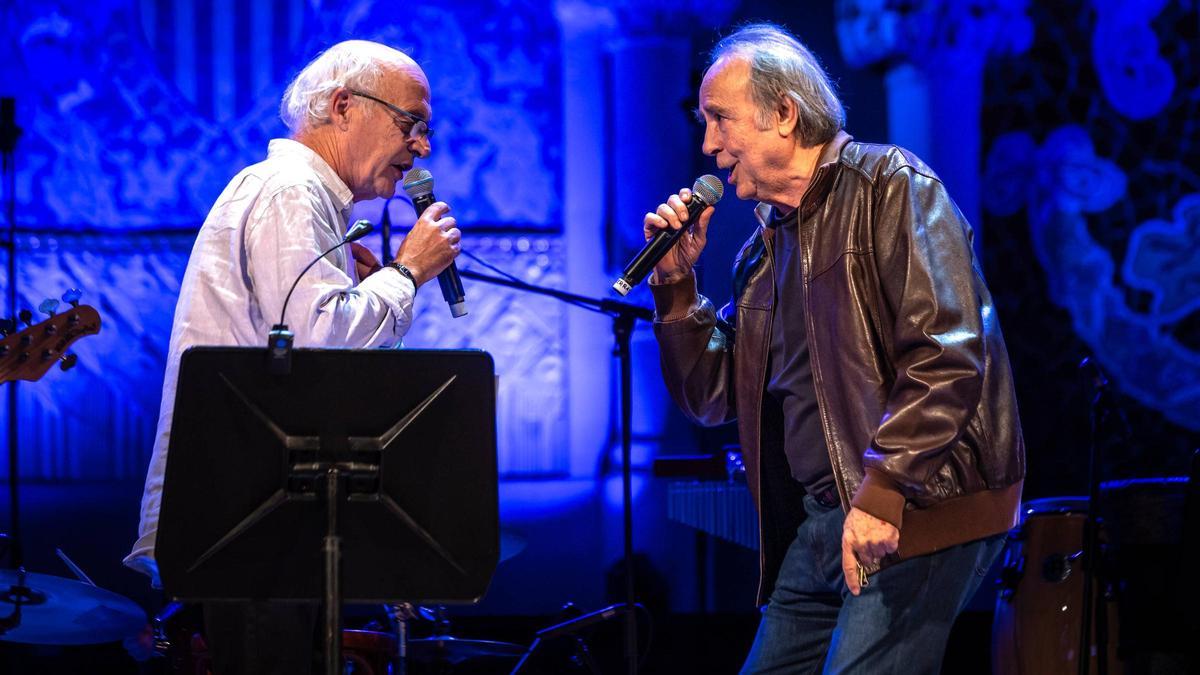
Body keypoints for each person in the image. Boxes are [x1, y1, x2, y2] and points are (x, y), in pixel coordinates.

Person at [644, 23, 1025, 673]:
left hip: (915, 505)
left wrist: (883, 488)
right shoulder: (764, 252)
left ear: (785, 114)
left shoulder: (891, 187)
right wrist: (675, 288)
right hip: (825, 524)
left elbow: (948, 351)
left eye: (719, 120)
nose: (708, 145)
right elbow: (711, 396)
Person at [123, 40, 460, 674]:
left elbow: (308, 358)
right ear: (342, 106)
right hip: (253, 518)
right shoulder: (290, 192)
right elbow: (317, 342)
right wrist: (408, 274)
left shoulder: (305, 200)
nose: (423, 148)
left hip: (268, 516)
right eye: (413, 124)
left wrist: (372, 286)